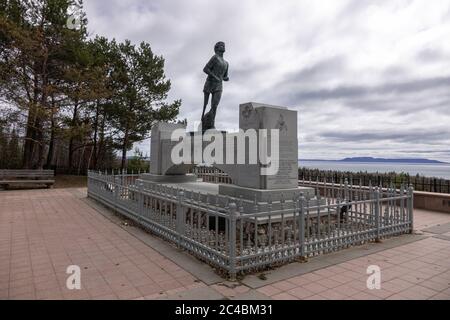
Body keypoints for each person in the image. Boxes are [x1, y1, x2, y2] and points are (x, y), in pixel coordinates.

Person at [201, 41, 229, 132]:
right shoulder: (215, 58)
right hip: (210, 83)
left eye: (224, 45)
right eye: (221, 45)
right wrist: (214, 76)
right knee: (205, 104)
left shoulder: (226, 63)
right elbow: (205, 69)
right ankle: (204, 120)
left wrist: (226, 78)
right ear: (217, 48)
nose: (223, 47)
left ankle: (211, 123)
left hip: (219, 85)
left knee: (215, 105)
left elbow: (224, 76)